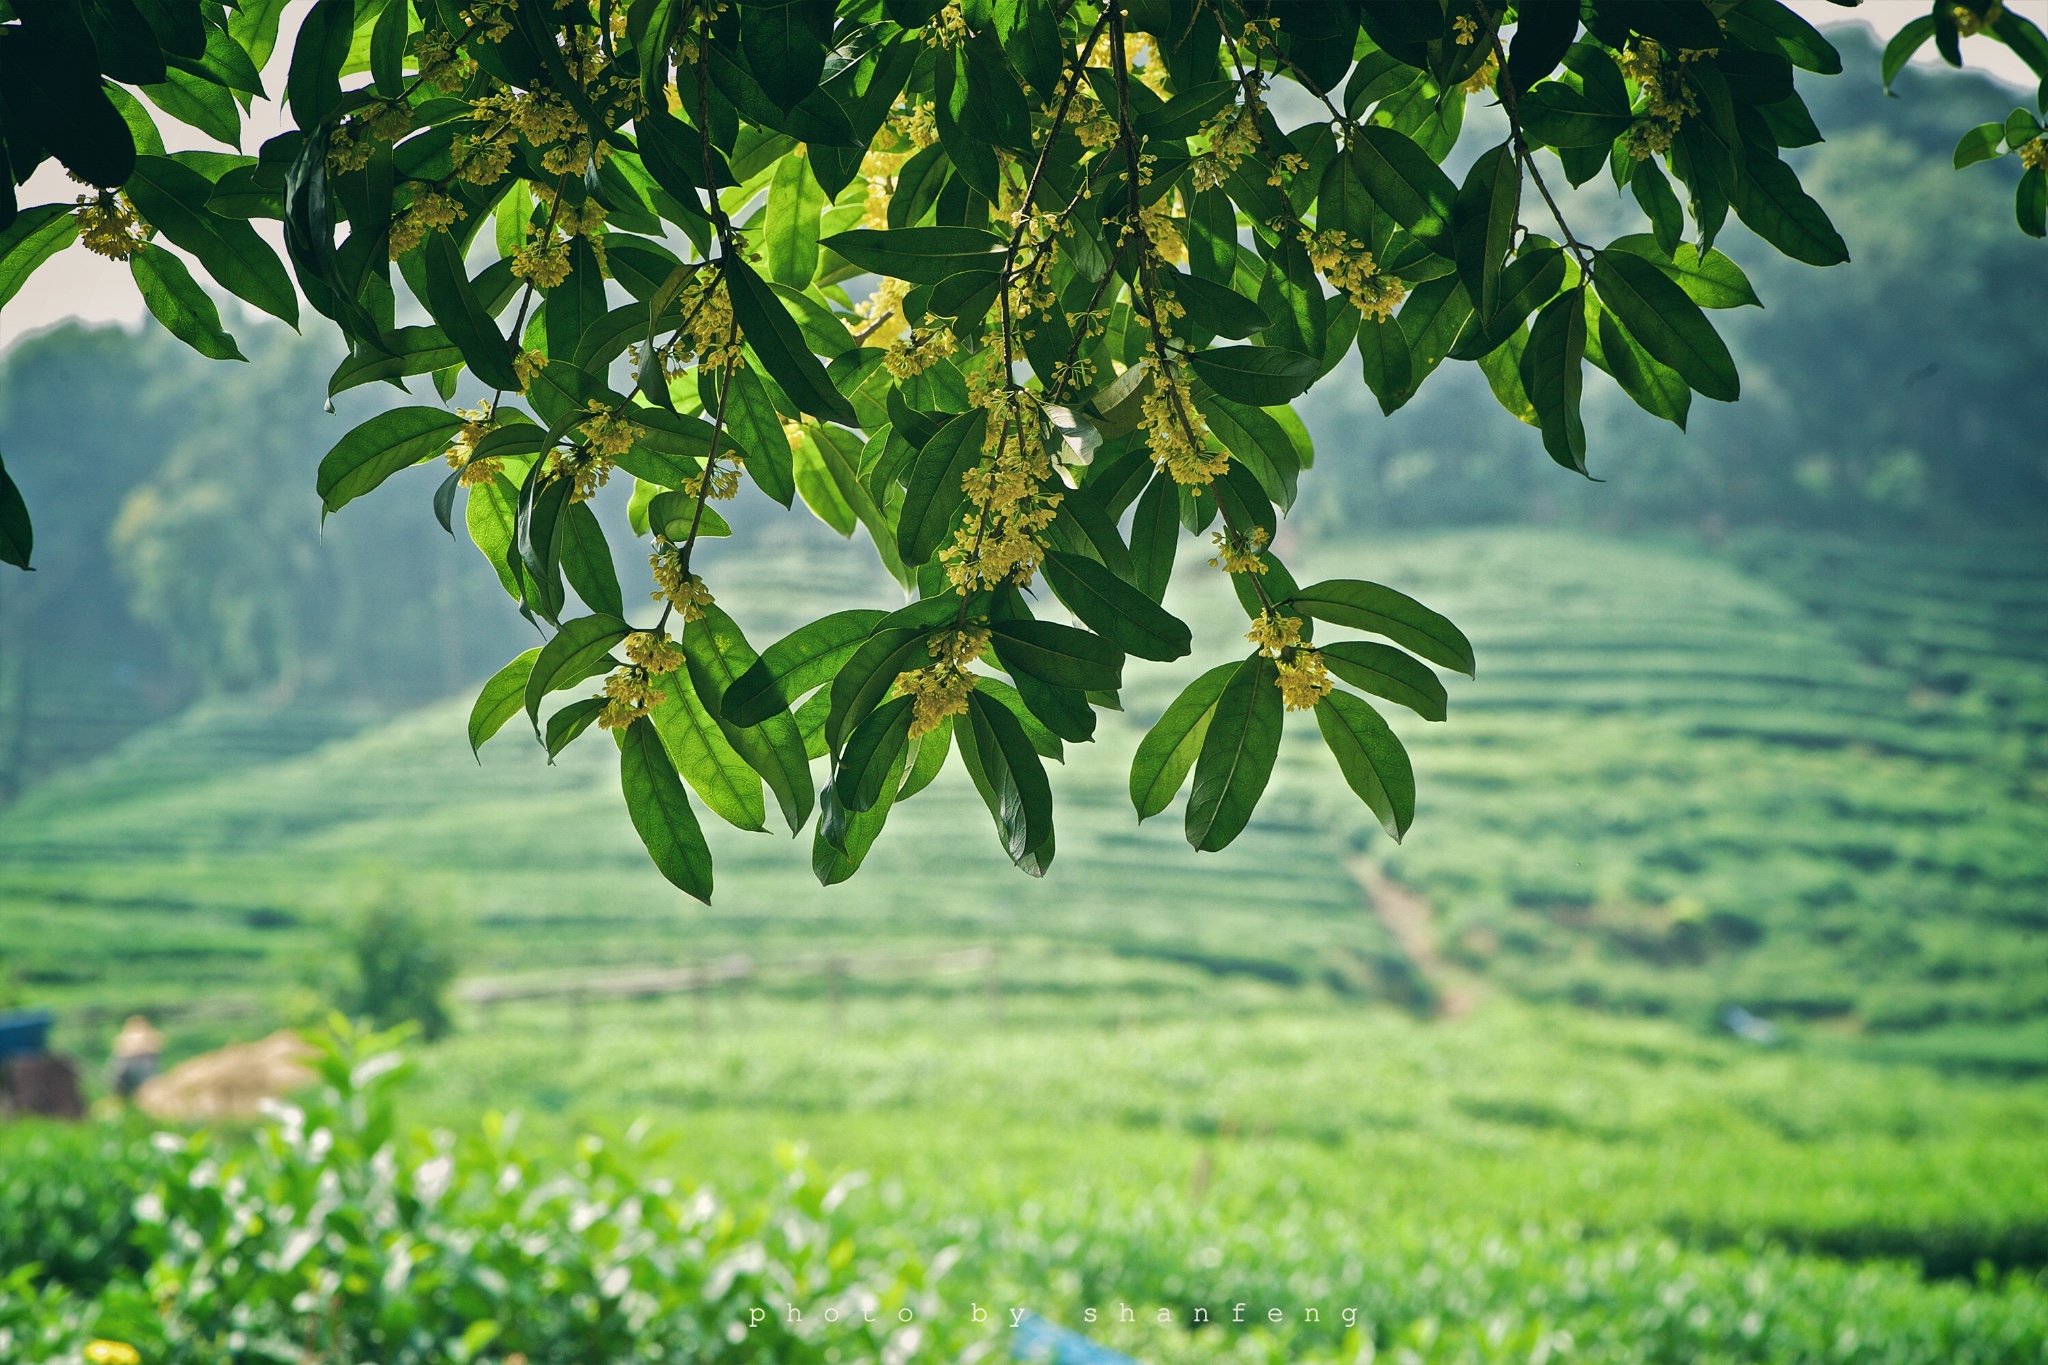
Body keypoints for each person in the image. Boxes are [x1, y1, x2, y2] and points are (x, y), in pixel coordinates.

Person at [110, 1015, 164, 1100]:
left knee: (147, 1083)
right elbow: (119, 1050)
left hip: (144, 1059)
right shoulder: (125, 1035)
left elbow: (156, 1047)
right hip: (127, 1061)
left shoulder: (149, 1034)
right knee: (119, 1080)